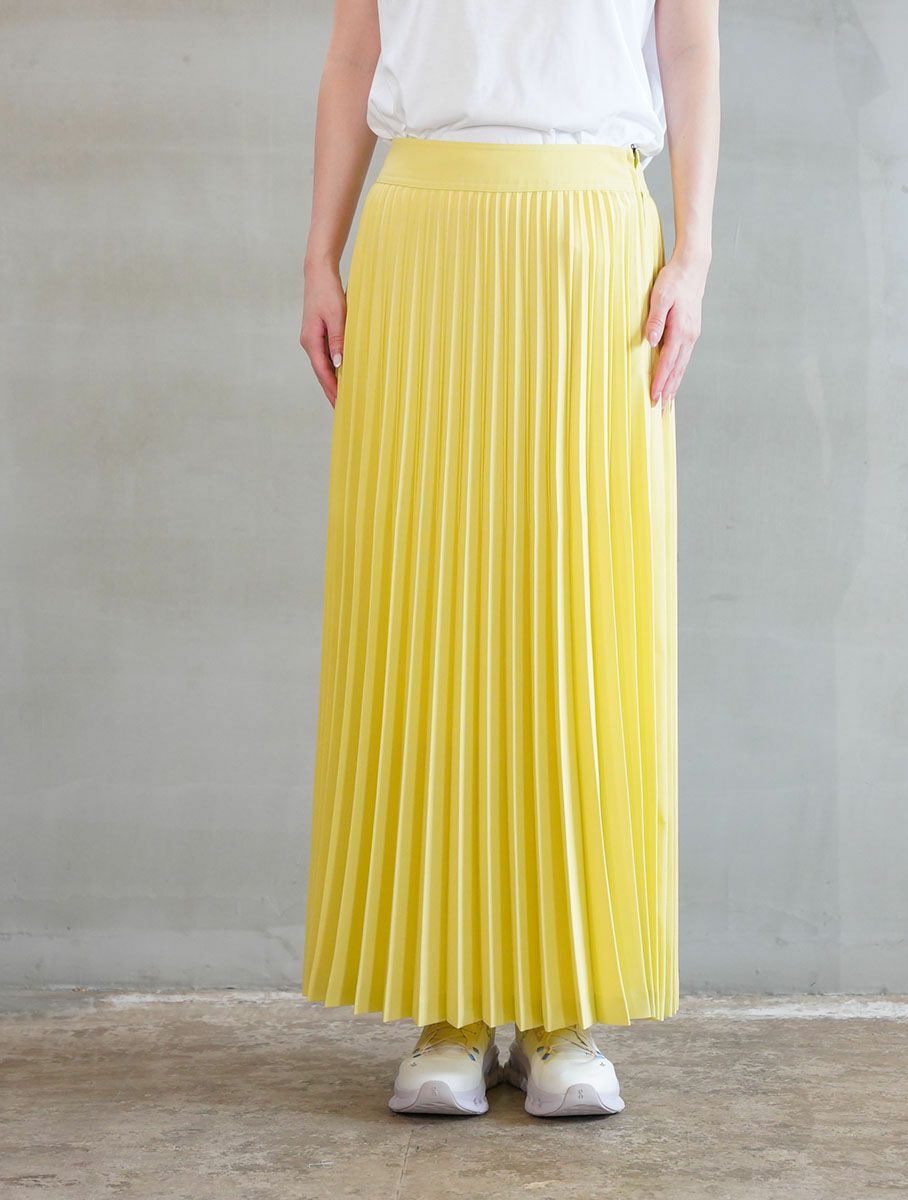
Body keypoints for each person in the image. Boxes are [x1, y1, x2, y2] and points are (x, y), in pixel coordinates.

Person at [299, 0, 720, 1118]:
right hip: (421, 239)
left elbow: (688, 43)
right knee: (426, 612)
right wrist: (319, 255)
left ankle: (557, 1010)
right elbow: (354, 52)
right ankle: (444, 1006)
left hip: (591, 244)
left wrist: (692, 251)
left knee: (577, 612)